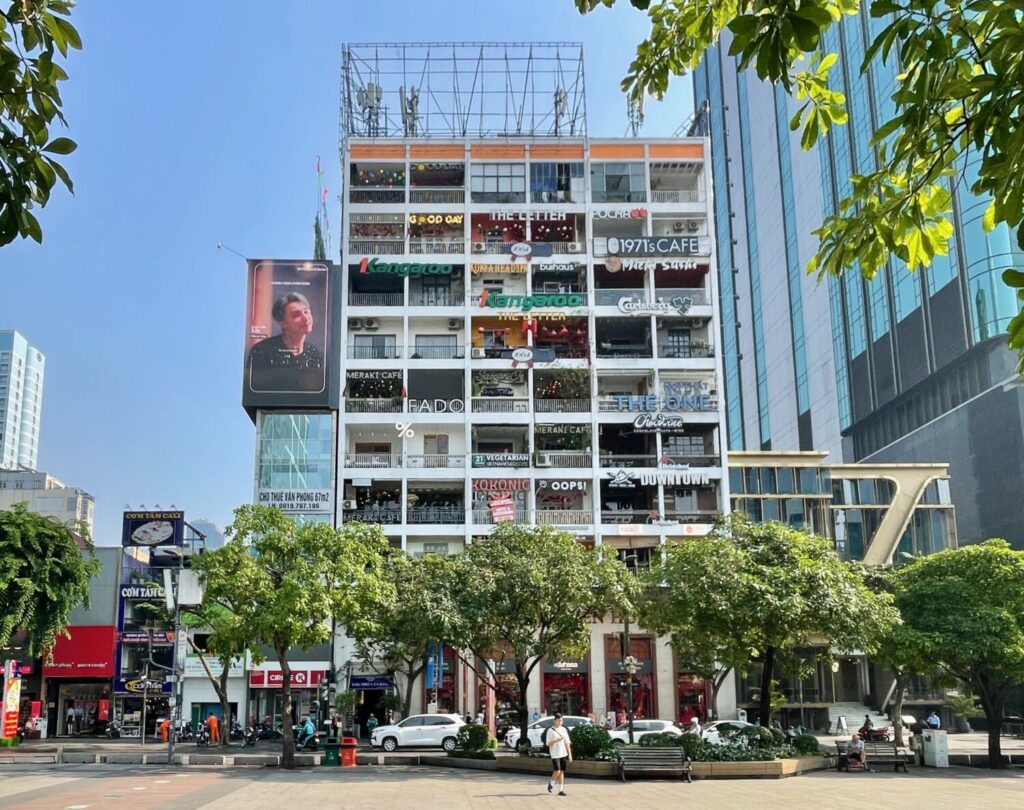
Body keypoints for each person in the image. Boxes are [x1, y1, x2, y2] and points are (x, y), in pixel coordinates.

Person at [246, 292, 324, 393]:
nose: (305, 319)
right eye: (296, 315)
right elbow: (253, 389)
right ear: (283, 324)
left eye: (306, 312)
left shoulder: (316, 355)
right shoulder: (261, 351)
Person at [544, 713, 573, 797]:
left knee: (562, 772)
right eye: (559, 720)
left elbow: (567, 742)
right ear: (555, 721)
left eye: (561, 720)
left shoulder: (564, 729)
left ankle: (561, 790)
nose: (560, 722)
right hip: (555, 753)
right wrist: (556, 740)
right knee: (557, 770)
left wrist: (570, 755)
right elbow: (548, 743)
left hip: (563, 753)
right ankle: (551, 782)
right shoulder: (550, 730)